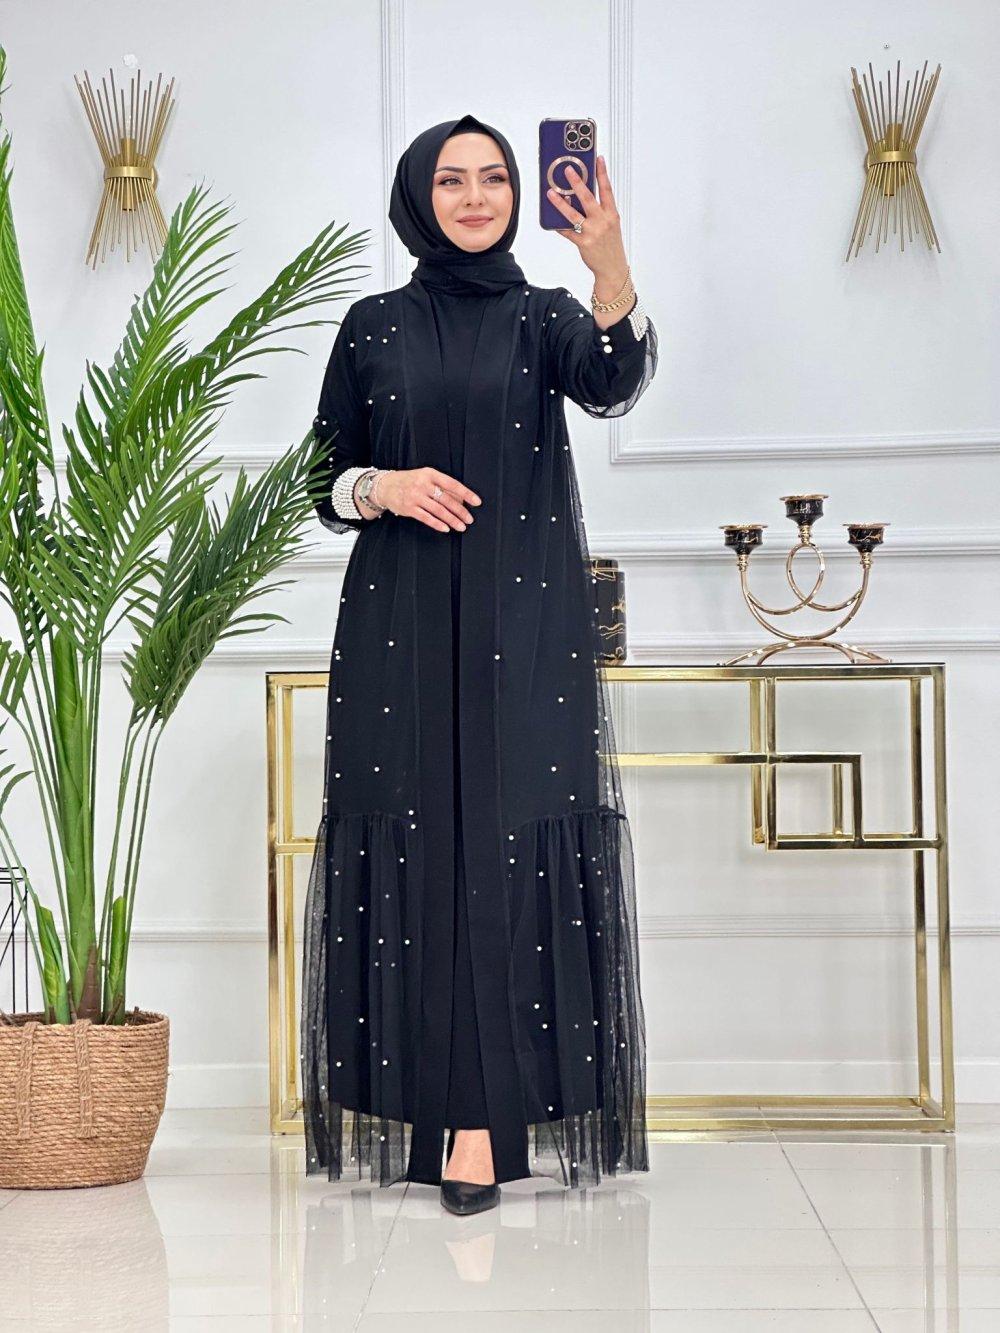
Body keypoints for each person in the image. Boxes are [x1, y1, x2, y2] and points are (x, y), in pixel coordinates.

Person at [301, 113, 658, 1217]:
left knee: (509, 849)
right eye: (450, 179)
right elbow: (321, 480)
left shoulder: (545, 317)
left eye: (493, 178)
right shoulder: (371, 325)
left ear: (514, 196)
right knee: (425, 850)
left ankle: (488, 1121)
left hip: (526, 629)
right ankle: (451, 1118)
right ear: (419, 197)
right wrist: (385, 486)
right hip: (400, 631)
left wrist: (608, 265)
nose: (473, 196)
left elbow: (612, 381)